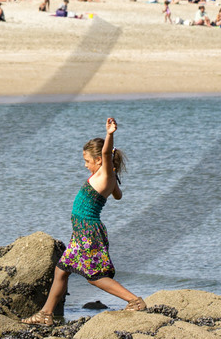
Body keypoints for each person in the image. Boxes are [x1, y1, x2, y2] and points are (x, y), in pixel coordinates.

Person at [22, 116, 144, 325]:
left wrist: (109, 134)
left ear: (99, 160)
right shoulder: (108, 177)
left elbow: (106, 152)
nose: (85, 165)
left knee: (94, 276)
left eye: (87, 161)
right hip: (82, 232)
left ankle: (135, 301)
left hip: (88, 232)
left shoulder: (105, 172)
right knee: (61, 270)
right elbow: (118, 196)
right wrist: (112, 181)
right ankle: (46, 314)